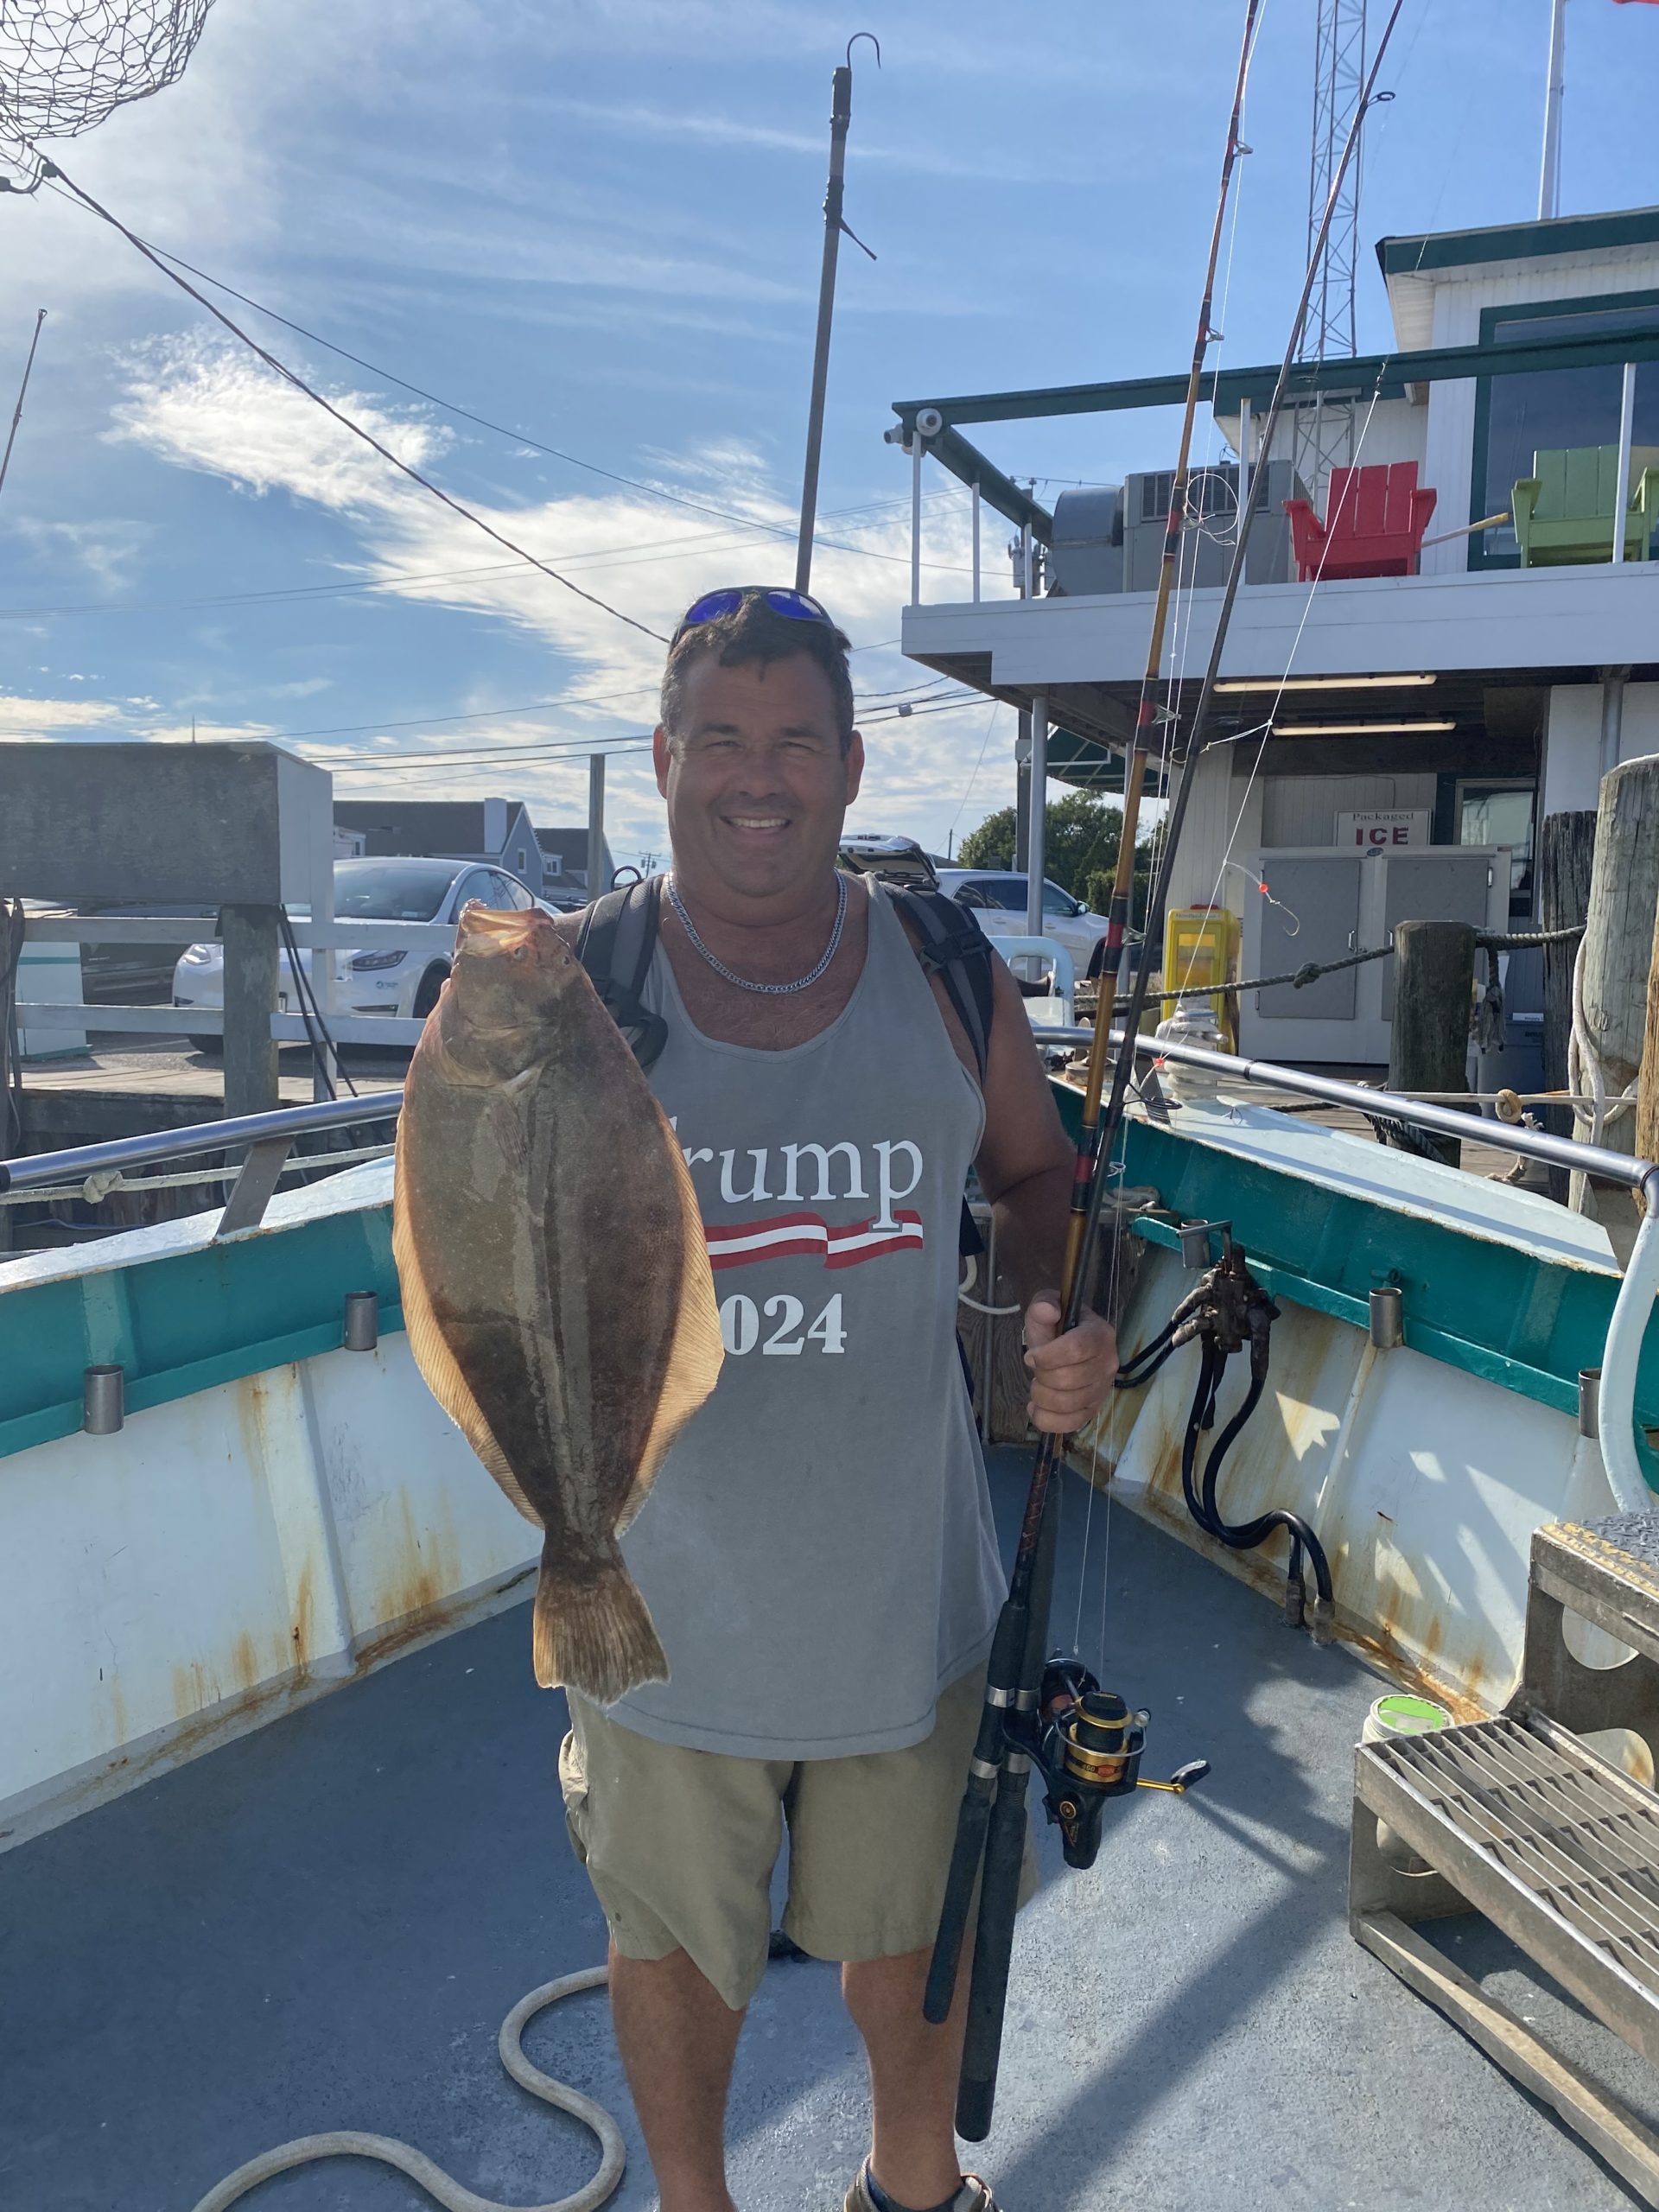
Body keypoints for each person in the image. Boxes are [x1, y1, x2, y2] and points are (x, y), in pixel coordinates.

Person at [556, 586, 1118, 2212]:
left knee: (913, 1939)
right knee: (671, 1947)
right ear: (663, 758)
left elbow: (1033, 1177)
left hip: (907, 1589)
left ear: (855, 767)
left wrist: (1050, 1309)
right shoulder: (580, 987)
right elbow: (467, 1228)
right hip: (658, 1599)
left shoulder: (946, 966)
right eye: (721, 739)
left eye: (795, 739)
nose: (759, 775)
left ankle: (913, 2188)